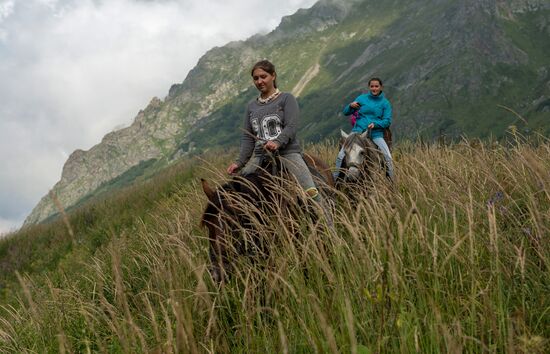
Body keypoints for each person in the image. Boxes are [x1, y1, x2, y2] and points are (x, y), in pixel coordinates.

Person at [226, 60, 326, 209]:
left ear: (273, 76)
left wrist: (278, 142)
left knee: (311, 191)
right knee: (240, 189)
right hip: (259, 156)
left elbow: (291, 126)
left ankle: (328, 223)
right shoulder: (251, 107)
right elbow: (248, 137)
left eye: (263, 76)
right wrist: (239, 163)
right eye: (256, 78)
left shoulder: (286, 99)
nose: (259, 81)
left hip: (287, 153)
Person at [333, 78, 394, 181]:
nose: (374, 88)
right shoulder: (361, 98)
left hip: (375, 134)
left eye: (376, 86)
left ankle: (391, 183)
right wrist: (350, 106)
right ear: (369, 87)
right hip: (357, 131)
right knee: (341, 155)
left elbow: (387, 121)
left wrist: (375, 124)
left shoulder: (385, 103)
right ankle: (335, 180)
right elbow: (346, 112)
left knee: (388, 157)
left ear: (381, 87)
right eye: (372, 86)